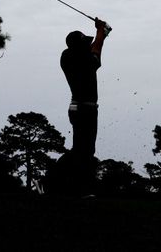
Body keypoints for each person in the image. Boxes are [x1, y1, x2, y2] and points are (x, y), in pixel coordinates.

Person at [60, 18, 108, 194]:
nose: (88, 45)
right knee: (85, 151)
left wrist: (101, 34)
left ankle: (64, 183)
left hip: (76, 107)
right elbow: (96, 51)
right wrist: (100, 32)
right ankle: (72, 186)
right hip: (85, 109)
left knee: (81, 149)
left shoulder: (66, 56)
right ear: (79, 47)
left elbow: (94, 47)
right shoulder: (84, 60)